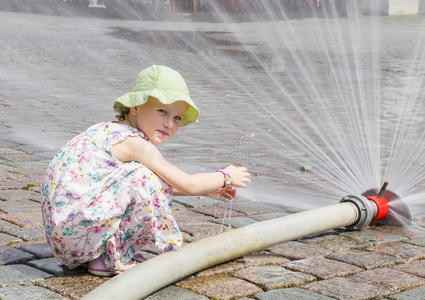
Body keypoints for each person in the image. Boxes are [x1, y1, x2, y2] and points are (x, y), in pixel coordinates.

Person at [41, 65, 251, 276]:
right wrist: (226, 175)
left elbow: (121, 186)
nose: (169, 123)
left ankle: (97, 252)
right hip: (77, 235)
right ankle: (109, 258)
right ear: (136, 107)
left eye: (177, 118)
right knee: (142, 176)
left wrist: (203, 191)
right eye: (162, 112)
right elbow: (186, 182)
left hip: (65, 237)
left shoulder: (107, 130)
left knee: (143, 176)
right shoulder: (136, 144)